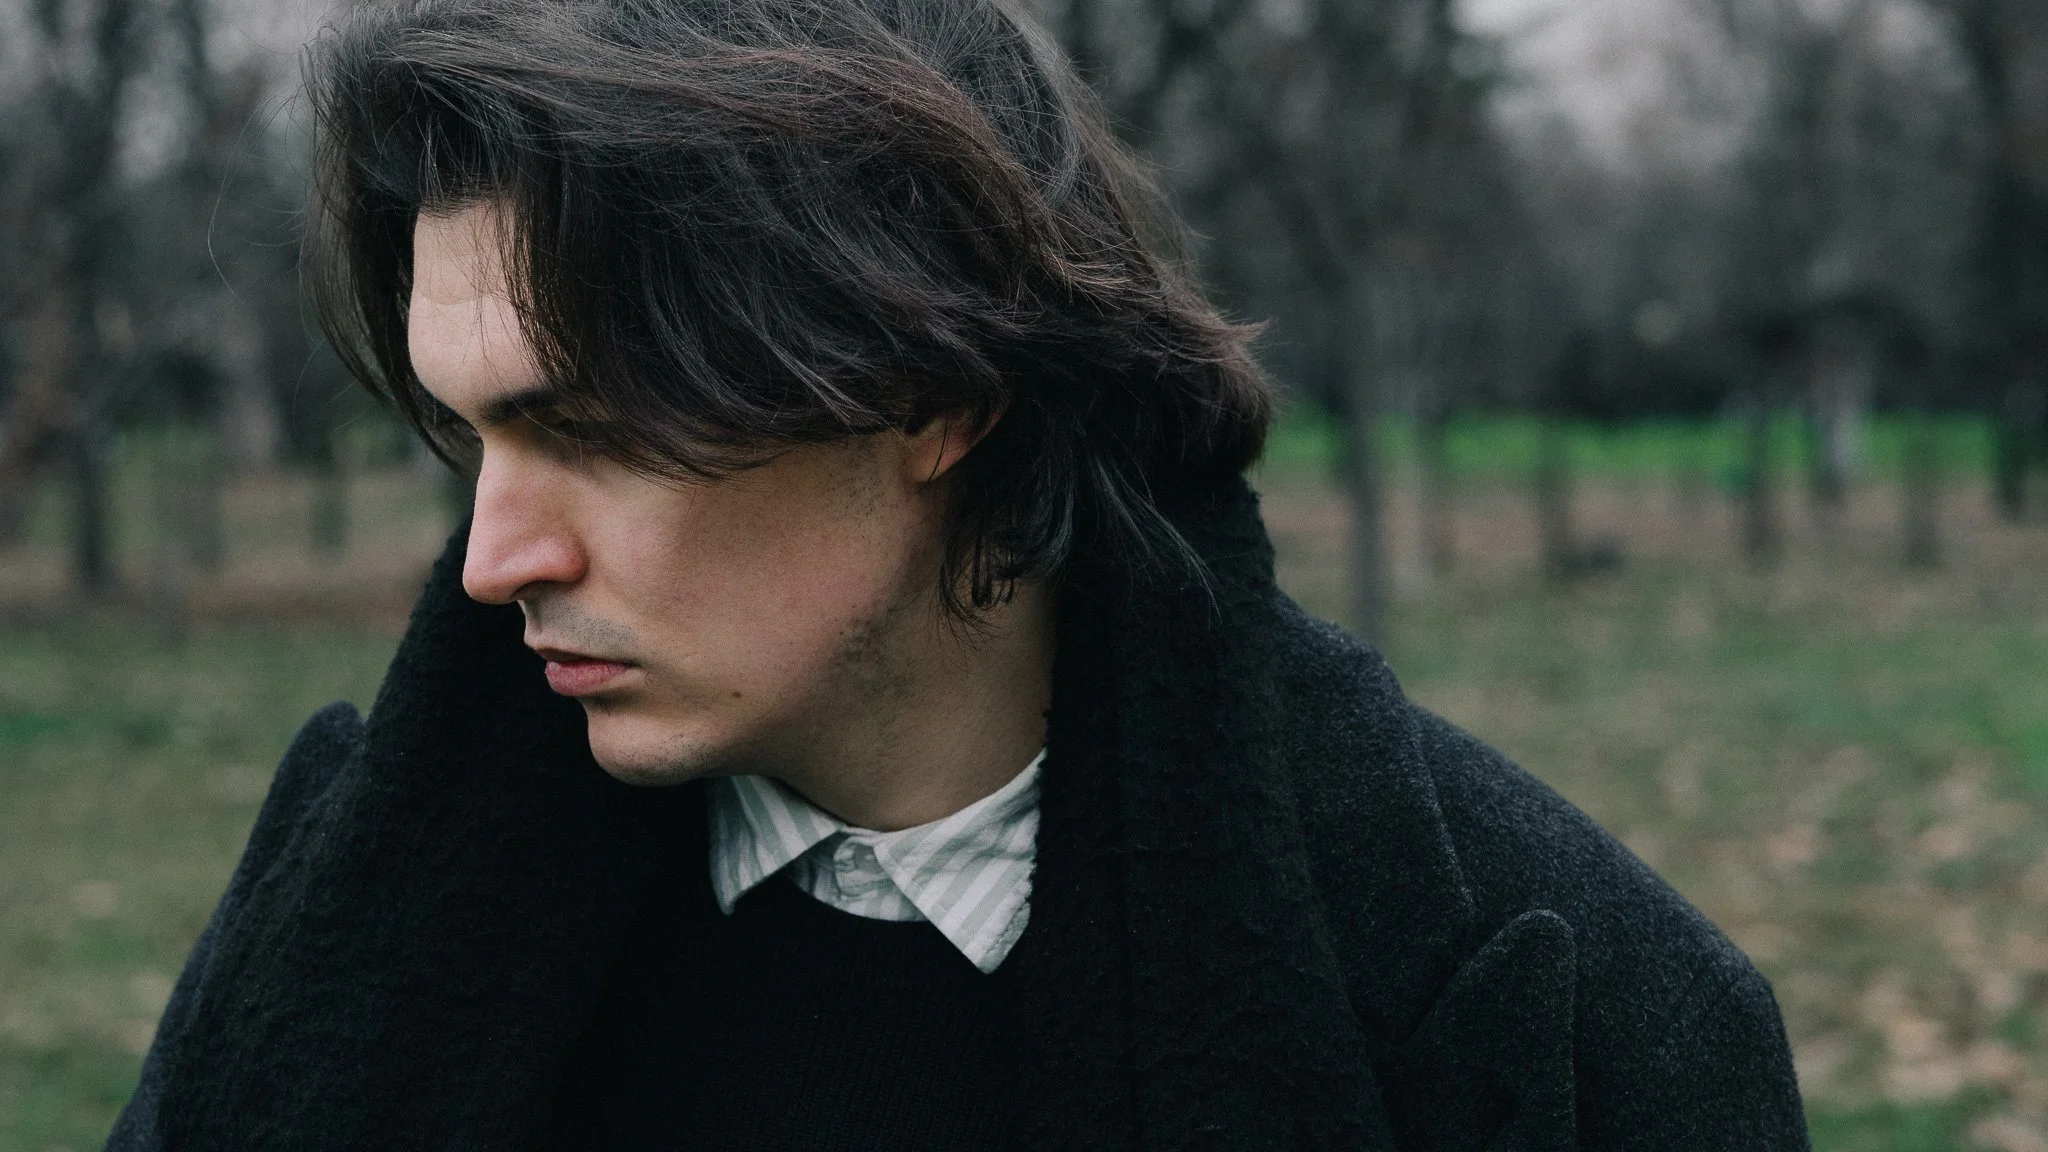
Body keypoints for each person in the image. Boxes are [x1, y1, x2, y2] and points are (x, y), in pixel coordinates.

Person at [109, 0, 1810, 1147]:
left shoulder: (1547, 1003)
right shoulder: (349, 908)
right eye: (474, 439)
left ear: (931, 393)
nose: (494, 558)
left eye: (599, 429)